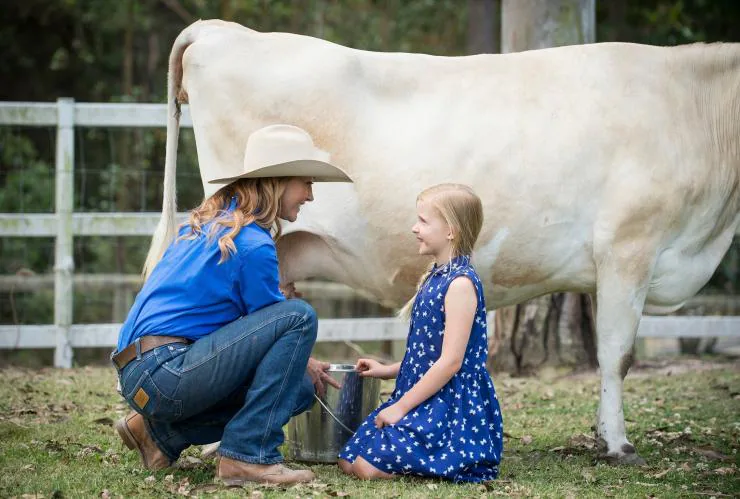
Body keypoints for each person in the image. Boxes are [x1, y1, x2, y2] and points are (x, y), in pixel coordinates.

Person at [111, 124, 352, 485]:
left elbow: (256, 338)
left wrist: (305, 366)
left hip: (141, 372)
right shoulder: (253, 243)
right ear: (280, 181)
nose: (310, 196)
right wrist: (306, 358)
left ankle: (157, 435)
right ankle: (249, 455)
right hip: (167, 371)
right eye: (307, 183)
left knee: (299, 388)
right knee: (299, 317)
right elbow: (280, 327)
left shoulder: (208, 226)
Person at [337, 183, 504, 482]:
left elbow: (451, 362)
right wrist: (387, 370)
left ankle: (445, 460)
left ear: (450, 231)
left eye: (424, 221)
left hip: (451, 407)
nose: (415, 228)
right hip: (425, 398)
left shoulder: (460, 285)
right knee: (348, 460)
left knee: (365, 468)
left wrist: (400, 407)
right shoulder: (436, 278)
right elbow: (428, 356)